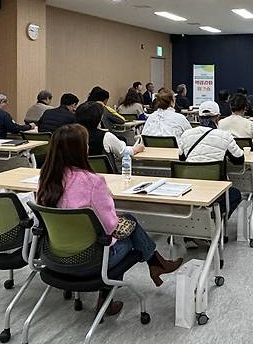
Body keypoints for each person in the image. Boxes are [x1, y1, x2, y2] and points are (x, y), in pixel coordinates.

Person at [37, 124, 182, 315]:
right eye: (86, 144)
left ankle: (155, 264)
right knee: (129, 232)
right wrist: (106, 197)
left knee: (128, 222)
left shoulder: (46, 178)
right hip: (91, 260)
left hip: (54, 256)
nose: (88, 147)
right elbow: (110, 226)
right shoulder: (93, 182)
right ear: (78, 150)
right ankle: (151, 266)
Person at [179, 101, 244, 248]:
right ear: (218, 117)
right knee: (235, 195)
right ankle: (211, 225)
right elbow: (239, 159)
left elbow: (182, 159)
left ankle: (191, 232)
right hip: (215, 190)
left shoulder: (186, 134)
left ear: (199, 117)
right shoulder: (224, 136)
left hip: (189, 188)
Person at [75, 101, 144, 162]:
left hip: (77, 174)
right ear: (99, 118)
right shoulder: (105, 136)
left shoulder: (71, 135)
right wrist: (136, 149)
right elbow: (123, 152)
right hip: (105, 175)